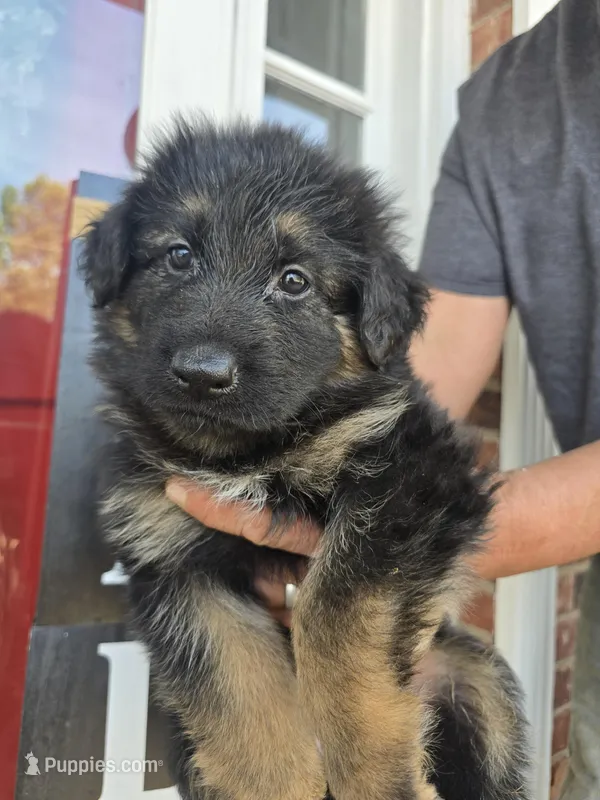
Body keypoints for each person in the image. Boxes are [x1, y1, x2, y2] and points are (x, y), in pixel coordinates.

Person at [165, 1, 600, 797]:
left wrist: (409, 548)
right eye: (181, 260)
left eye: (294, 283)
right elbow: (411, 374)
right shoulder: (509, 90)